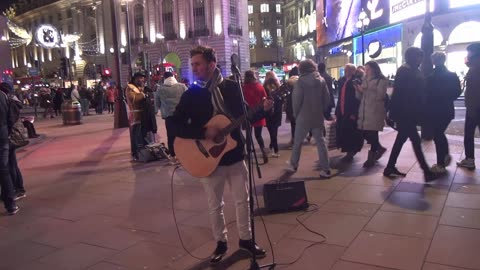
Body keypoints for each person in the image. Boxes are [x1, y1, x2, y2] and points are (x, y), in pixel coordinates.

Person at [173, 46, 270, 264]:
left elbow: (246, 116)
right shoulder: (191, 95)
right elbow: (175, 125)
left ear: (212, 64)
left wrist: (263, 109)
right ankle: (221, 243)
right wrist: (203, 132)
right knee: (215, 204)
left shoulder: (232, 88)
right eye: (193, 64)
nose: (194, 68)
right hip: (208, 160)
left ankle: (245, 239)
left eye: (198, 64)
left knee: (243, 201)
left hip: (234, 153)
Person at [384, 47, 438, 181]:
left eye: (421, 57)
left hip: (410, 113)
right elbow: (399, 94)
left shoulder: (413, 70)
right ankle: (426, 171)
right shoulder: (404, 71)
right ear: (411, 57)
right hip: (406, 114)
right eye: (418, 57)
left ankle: (389, 167)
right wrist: (391, 113)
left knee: (401, 140)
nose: (420, 59)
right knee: (415, 141)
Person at [285, 59, 336, 178]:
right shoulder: (321, 80)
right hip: (317, 115)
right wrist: (320, 110)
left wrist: (296, 114)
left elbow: (297, 100)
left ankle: (293, 164)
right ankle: (326, 169)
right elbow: (327, 98)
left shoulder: (300, 82)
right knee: (320, 142)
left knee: (297, 142)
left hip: (303, 116)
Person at [425, 52, 462, 173]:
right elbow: (457, 91)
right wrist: (447, 98)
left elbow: (426, 94)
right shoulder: (452, 75)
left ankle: (441, 162)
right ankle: (444, 157)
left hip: (434, 110)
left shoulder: (431, 77)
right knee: (439, 133)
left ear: (433, 61)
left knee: (438, 135)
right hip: (447, 109)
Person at [354, 61, 388, 167]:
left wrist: (365, 90)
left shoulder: (381, 80)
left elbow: (380, 95)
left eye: (368, 69)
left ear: (374, 69)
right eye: (366, 69)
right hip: (364, 110)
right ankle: (379, 149)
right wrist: (358, 90)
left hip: (375, 110)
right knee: (365, 132)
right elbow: (360, 97)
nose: (366, 71)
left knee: (372, 134)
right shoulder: (365, 79)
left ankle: (371, 158)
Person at [1, 83, 26, 200]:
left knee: (10, 165)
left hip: (9, 135)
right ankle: (16, 189)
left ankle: (18, 189)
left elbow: (10, 119)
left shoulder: (9, 102)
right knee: (11, 163)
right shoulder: (12, 100)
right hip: (10, 135)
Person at [457, 43, 480, 170]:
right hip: (475, 106)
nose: (467, 56)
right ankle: (469, 159)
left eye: (469, 53)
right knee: (469, 134)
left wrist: (472, 108)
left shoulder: (476, 68)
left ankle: (470, 159)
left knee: (469, 134)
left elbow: (475, 90)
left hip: (475, 107)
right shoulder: (474, 66)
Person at [157, 71, 187, 164]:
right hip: (182, 115)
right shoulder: (182, 86)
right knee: (183, 135)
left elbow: (157, 104)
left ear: (164, 78)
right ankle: (184, 155)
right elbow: (188, 99)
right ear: (173, 76)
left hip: (169, 116)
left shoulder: (160, 89)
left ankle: (173, 156)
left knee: (171, 136)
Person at [335, 64, 364, 161]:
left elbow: (357, 98)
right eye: (345, 69)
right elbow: (340, 96)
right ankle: (348, 150)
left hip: (350, 111)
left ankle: (351, 152)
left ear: (352, 71)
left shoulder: (355, 81)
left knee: (351, 132)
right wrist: (337, 110)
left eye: (347, 70)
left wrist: (354, 113)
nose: (345, 71)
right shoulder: (343, 81)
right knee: (345, 131)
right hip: (343, 110)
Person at [0, 83, 19, 215]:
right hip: (2, 135)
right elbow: (9, 117)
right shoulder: (2, 96)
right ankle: (10, 205)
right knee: (4, 170)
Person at [242, 70, 269, 164]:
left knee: (248, 136)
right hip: (258, 114)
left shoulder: (243, 88)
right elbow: (265, 99)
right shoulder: (260, 87)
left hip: (248, 114)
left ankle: (249, 155)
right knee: (258, 135)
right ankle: (264, 153)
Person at [126, 72, 147, 161]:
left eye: (143, 78)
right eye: (141, 78)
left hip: (142, 114)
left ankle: (142, 152)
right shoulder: (130, 88)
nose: (142, 80)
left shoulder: (139, 88)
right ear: (136, 78)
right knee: (135, 135)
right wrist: (143, 95)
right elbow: (133, 99)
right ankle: (135, 153)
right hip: (135, 114)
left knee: (141, 134)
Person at [263, 71, 283, 158]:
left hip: (269, 110)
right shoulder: (278, 85)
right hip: (278, 110)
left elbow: (264, 98)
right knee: (275, 129)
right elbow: (282, 97)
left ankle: (276, 149)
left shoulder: (265, 86)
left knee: (271, 130)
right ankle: (272, 145)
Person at [285, 67, 299, 148]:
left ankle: (293, 139)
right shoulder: (301, 81)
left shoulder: (289, 83)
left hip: (290, 106)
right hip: (299, 106)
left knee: (293, 124)